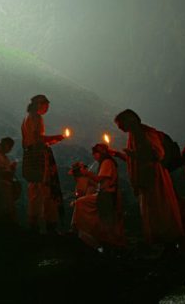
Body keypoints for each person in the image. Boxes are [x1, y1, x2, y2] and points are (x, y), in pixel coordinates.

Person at [114, 109, 184, 246]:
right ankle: (158, 242)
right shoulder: (133, 135)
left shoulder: (146, 133)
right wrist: (121, 155)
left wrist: (134, 155)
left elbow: (158, 155)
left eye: (120, 124)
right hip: (146, 180)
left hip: (155, 178)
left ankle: (169, 242)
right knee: (151, 212)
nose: (119, 127)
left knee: (160, 209)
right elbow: (136, 159)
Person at [21, 94, 66, 234]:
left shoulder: (26, 118)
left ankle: (34, 223)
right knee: (45, 189)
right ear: (40, 105)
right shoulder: (36, 118)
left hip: (30, 156)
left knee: (34, 189)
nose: (47, 109)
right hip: (38, 157)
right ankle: (48, 224)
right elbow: (37, 138)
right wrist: (56, 137)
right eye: (46, 106)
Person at [71, 143, 126, 251]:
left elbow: (99, 179)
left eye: (95, 154)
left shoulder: (107, 162)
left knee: (105, 219)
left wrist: (87, 173)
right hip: (106, 194)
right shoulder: (105, 162)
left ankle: (91, 235)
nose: (94, 156)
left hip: (107, 195)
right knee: (106, 219)